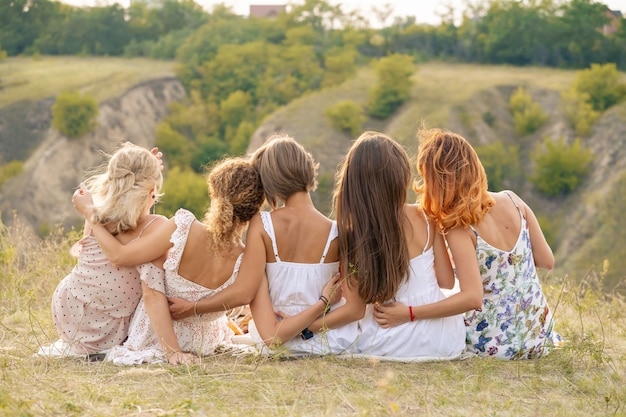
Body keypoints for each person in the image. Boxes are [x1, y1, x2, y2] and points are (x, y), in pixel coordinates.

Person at [374, 128, 559, 360]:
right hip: (540, 336)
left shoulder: (459, 227)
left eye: (426, 177)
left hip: (496, 345)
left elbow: (472, 298)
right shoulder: (514, 200)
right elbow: (546, 261)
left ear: (440, 180)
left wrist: (409, 313)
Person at [169, 134, 356, 355]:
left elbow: (243, 291)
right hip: (331, 341)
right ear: (307, 169)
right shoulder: (338, 231)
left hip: (278, 342)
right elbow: (353, 307)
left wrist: (193, 308)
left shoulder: (263, 224)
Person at [73, 157, 266, 364]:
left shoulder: (182, 228)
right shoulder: (247, 261)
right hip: (204, 343)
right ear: (255, 210)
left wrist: (91, 214)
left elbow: (122, 259)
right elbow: (245, 296)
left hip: (154, 338)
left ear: (214, 196)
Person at [307, 131, 467, 360]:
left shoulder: (354, 235)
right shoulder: (426, 217)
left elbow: (354, 310)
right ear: (401, 177)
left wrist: (309, 326)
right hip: (442, 336)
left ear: (354, 186)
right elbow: (447, 280)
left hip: (391, 340)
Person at [41, 142, 166, 357]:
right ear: (150, 191)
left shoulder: (96, 212)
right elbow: (118, 257)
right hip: (110, 327)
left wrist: (140, 166)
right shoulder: (156, 225)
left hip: (70, 309)